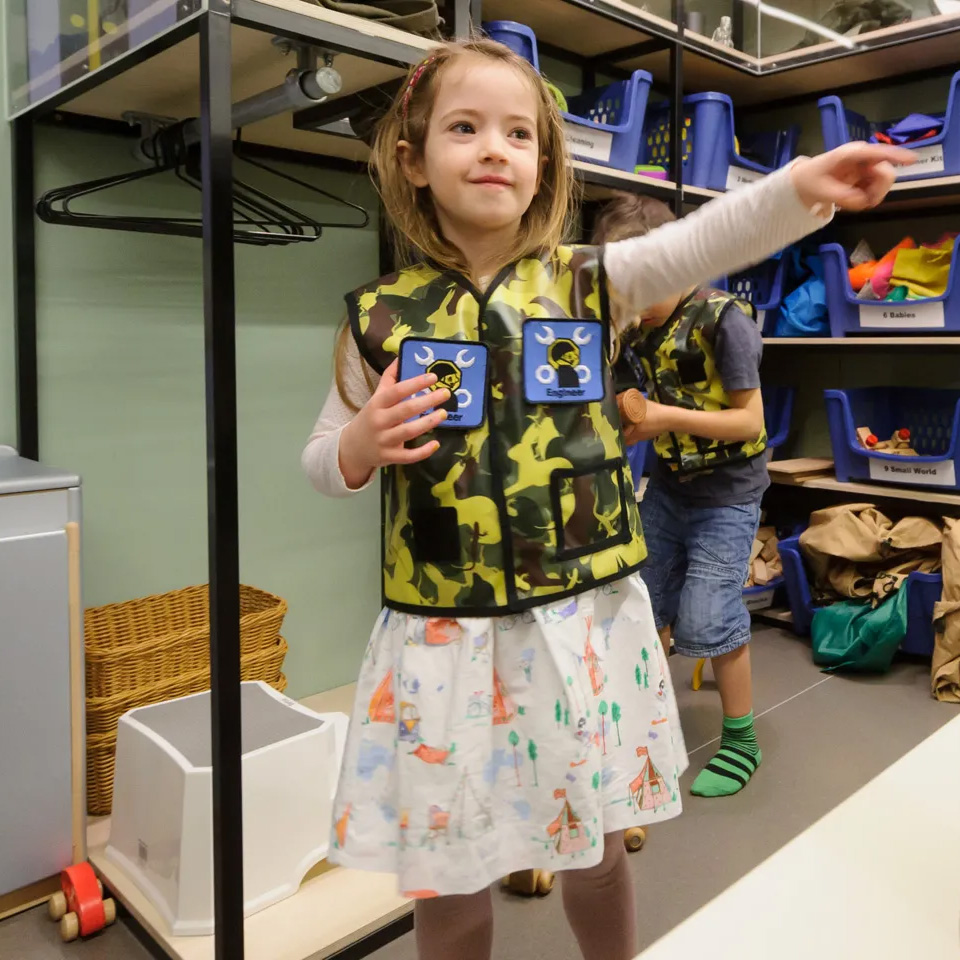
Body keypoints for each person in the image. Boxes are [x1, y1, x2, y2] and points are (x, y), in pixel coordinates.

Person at [301, 36, 909, 960]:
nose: (493, 148)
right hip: (444, 640)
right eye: (464, 128)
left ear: (544, 165)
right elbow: (317, 459)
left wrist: (802, 187)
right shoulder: (378, 319)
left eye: (517, 133)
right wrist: (354, 447)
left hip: (576, 625)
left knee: (594, 850)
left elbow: (700, 240)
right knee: (451, 877)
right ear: (413, 160)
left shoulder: (595, 283)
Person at [595, 193, 769, 799]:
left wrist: (664, 417)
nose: (626, 304)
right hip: (669, 486)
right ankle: (646, 722)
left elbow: (751, 424)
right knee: (643, 600)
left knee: (708, 612)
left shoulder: (726, 321)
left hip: (728, 493)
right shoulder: (631, 328)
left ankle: (742, 738)